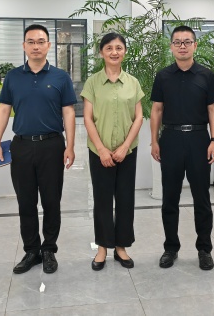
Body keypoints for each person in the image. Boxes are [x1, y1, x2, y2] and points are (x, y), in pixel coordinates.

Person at [0, 24, 77, 275]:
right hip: (22, 146)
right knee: (26, 202)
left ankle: (49, 250)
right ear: (24, 46)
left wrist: (70, 146)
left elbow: (69, 113)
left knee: (51, 201)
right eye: (31, 42)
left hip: (52, 145)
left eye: (40, 41)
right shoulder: (13, 77)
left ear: (48, 45)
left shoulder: (60, 77)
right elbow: (3, 110)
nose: (36, 46)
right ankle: (31, 251)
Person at [150, 25, 214, 271]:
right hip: (171, 139)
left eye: (187, 42)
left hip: (199, 139)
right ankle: (171, 248)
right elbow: (157, 110)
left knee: (202, 198)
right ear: (171, 46)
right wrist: (154, 140)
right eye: (178, 42)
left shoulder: (206, 75)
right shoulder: (163, 76)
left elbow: (213, 109)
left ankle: (204, 249)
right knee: (170, 197)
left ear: (194, 45)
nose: (182, 46)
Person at [81, 33, 144, 271]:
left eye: (119, 47)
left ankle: (121, 247)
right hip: (100, 152)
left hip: (127, 151)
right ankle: (102, 248)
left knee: (126, 199)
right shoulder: (92, 83)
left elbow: (139, 117)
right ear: (101, 53)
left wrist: (125, 146)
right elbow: (88, 118)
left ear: (124, 51)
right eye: (109, 48)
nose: (114, 52)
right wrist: (101, 149)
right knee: (102, 200)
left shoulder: (133, 82)